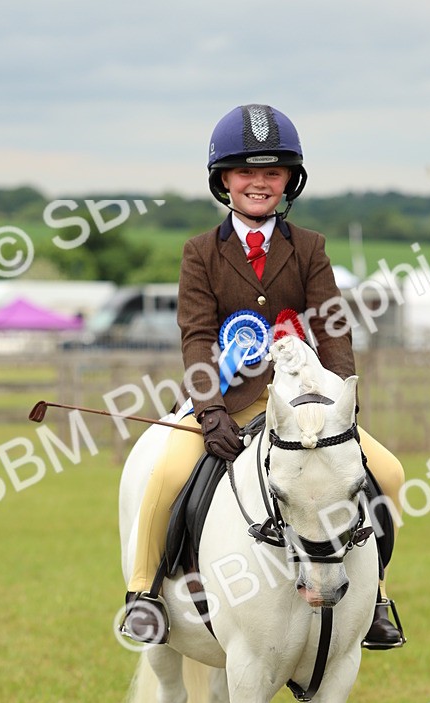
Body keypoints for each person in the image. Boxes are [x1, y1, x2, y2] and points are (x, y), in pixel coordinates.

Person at [123, 103, 405, 649]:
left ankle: (376, 597)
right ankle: (144, 595)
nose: (259, 183)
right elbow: (197, 337)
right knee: (163, 477)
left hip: (305, 409)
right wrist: (209, 413)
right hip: (228, 407)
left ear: (288, 180)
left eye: (271, 172)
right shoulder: (200, 254)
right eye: (246, 172)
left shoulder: (311, 249)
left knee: (388, 474)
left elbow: (334, 333)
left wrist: (339, 405)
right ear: (223, 180)